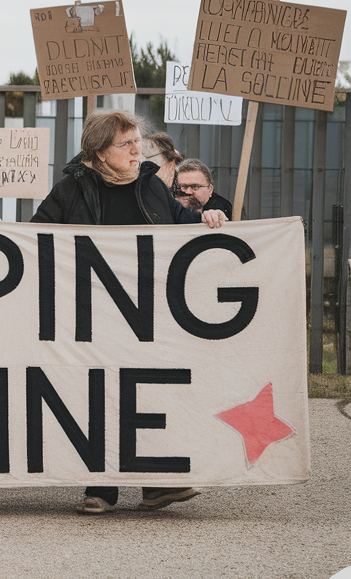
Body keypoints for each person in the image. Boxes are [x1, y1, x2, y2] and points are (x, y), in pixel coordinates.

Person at [31, 110, 226, 514]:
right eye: (127, 144)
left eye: (138, 141)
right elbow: (36, 238)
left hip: (146, 313)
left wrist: (205, 218)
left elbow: (179, 224)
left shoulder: (151, 186)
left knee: (146, 394)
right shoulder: (71, 191)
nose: (139, 150)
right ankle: (102, 486)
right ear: (101, 152)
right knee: (99, 394)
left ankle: (156, 485)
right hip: (92, 313)